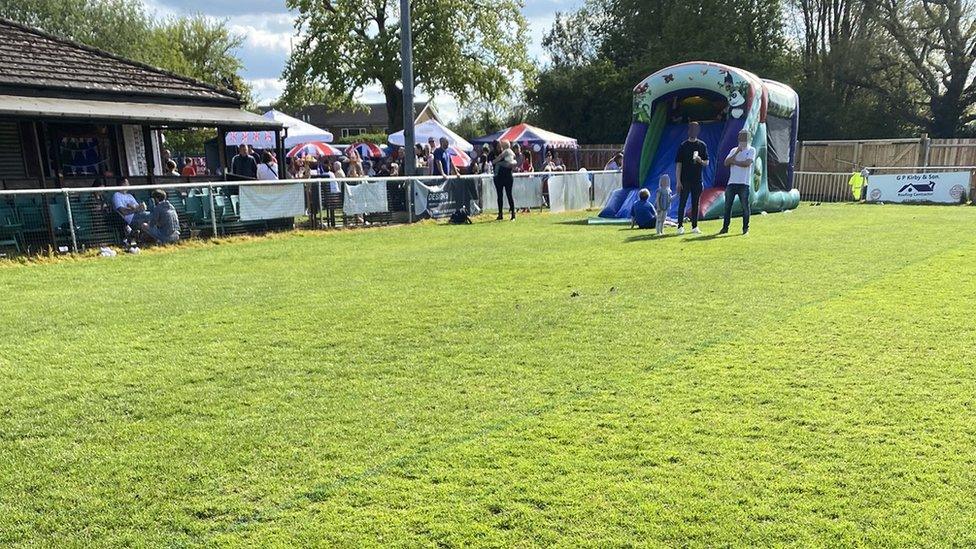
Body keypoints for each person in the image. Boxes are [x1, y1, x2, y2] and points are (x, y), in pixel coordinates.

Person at [674, 121, 709, 235]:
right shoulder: (683, 146)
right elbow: (678, 164)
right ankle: (680, 226)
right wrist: (678, 181)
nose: (693, 131)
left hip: (697, 180)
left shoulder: (702, 145)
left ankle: (694, 226)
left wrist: (700, 160)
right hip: (685, 179)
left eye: (695, 129)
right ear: (688, 130)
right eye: (691, 129)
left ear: (698, 131)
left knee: (695, 203)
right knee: (682, 203)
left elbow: (706, 162)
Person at [720, 129, 755, 235]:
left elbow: (747, 163)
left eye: (744, 137)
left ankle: (745, 228)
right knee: (727, 206)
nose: (742, 139)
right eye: (741, 137)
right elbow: (726, 162)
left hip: (744, 183)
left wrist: (734, 162)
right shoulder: (734, 150)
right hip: (732, 182)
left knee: (745, 206)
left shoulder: (751, 150)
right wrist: (737, 152)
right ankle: (725, 228)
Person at [111, 178, 151, 248]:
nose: (129, 185)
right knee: (151, 216)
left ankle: (147, 239)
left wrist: (142, 207)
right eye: (127, 183)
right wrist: (135, 209)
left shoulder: (130, 196)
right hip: (129, 220)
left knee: (150, 217)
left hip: (139, 215)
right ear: (123, 184)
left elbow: (138, 208)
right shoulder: (116, 195)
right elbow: (122, 211)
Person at [493, 140, 517, 220]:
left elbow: (497, 160)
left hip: (505, 175)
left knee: (505, 195)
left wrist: (495, 161)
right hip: (504, 176)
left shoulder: (505, 152)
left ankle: (508, 214)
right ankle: (507, 214)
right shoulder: (511, 152)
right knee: (505, 195)